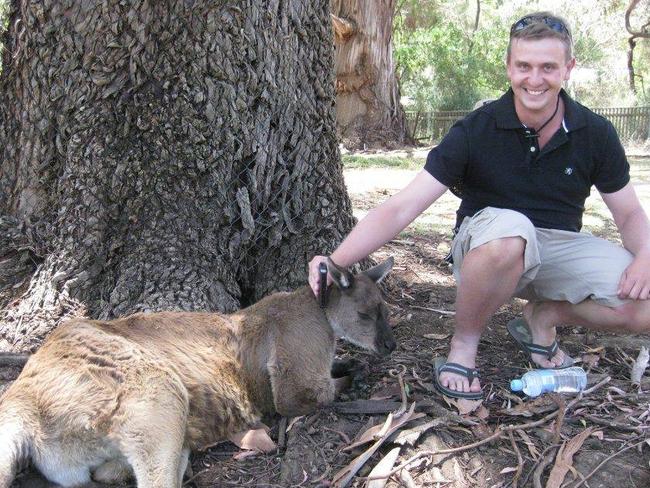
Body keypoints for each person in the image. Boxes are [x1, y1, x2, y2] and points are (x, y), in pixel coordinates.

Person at [308, 12, 650, 400]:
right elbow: (402, 208)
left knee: (643, 305)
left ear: (568, 69)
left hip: (555, 245)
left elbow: (629, 213)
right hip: (486, 244)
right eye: (524, 66)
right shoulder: (476, 129)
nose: (534, 79)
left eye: (548, 67)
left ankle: (544, 317)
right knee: (511, 230)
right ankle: (463, 347)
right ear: (508, 67)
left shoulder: (594, 132)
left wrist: (645, 255)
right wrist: (332, 263)